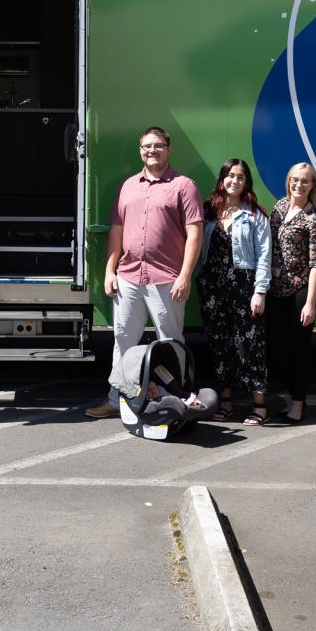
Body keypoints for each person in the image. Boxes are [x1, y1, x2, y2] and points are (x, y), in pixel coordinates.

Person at [85, 126, 203, 419]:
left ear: (169, 148)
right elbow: (117, 231)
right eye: (147, 146)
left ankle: (176, 400)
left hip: (167, 279)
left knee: (171, 342)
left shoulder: (184, 186)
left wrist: (185, 275)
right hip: (128, 278)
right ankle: (117, 399)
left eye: (158, 145)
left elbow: (195, 234)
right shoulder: (128, 186)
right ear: (140, 151)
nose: (152, 151)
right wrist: (110, 271)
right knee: (123, 342)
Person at [197, 158, 273, 425]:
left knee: (251, 346)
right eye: (230, 176)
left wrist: (260, 291)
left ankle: (260, 406)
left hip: (244, 286)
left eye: (240, 177)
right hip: (211, 287)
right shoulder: (208, 212)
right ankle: (226, 404)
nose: (234, 181)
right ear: (222, 179)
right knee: (220, 346)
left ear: (246, 183)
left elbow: (264, 256)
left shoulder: (255, 214)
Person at [267, 163, 316, 423]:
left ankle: (298, 404)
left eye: (305, 181)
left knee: (298, 350)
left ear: (312, 185)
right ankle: (290, 394)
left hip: (301, 292)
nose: (298, 185)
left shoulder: (315, 219)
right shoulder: (279, 208)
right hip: (275, 290)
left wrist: (311, 303)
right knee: (277, 349)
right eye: (294, 179)